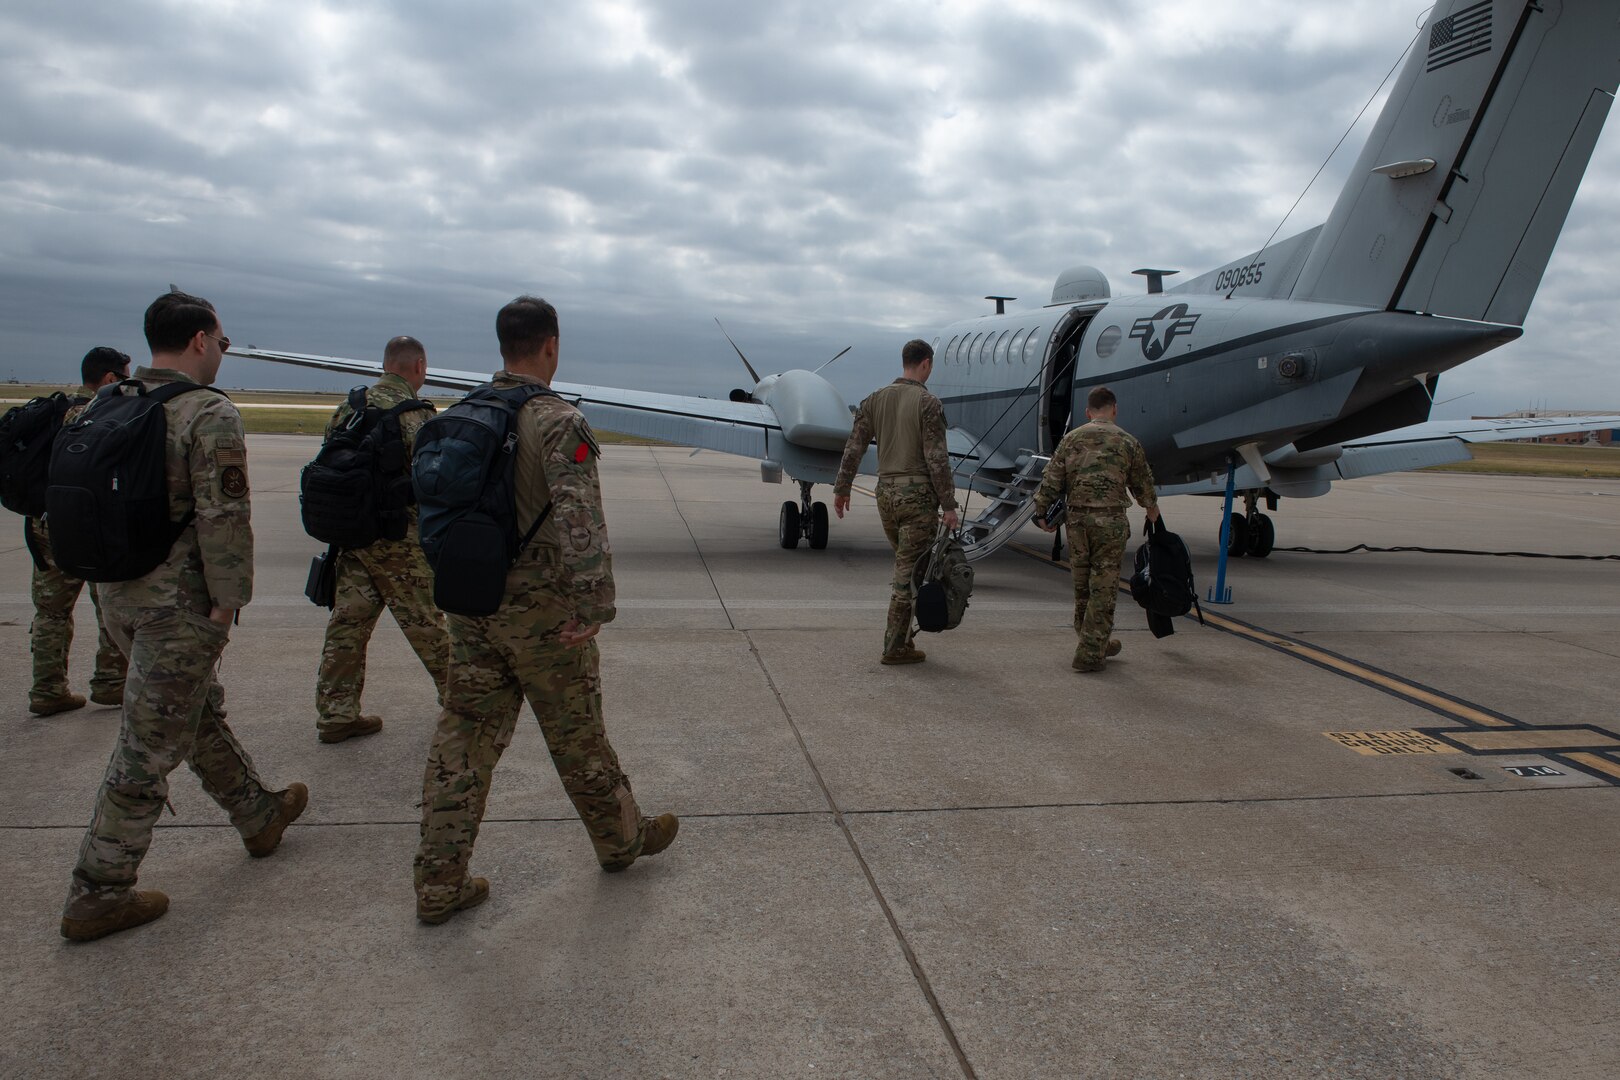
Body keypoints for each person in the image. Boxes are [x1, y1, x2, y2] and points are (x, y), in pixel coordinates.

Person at [413, 295, 677, 925]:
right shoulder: (556, 420)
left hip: (471, 605)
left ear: (504, 345)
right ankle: (620, 841)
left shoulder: (464, 412)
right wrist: (595, 606)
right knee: (578, 735)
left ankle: (438, 881)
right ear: (551, 345)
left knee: (462, 741)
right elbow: (579, 519)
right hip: (542, 617)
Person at [59, 290, 308, 942]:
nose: (222, 354)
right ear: (200, 340)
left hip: (116, 595)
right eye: (222, 343)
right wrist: (227, 604)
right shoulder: (206, 412)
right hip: (177, 609)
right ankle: (100, 889)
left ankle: (259, 815)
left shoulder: (110, 402)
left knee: (193, 714)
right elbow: (224, 518)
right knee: (147, 746)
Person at [314, 335, 449, 744]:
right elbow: (435, 481)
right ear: (419, 367)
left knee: (347, 626)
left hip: (354, 539)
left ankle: (336, 713)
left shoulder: (349, 408)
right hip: (401, 543)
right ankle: (464, 704)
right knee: (428, 626)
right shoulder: (418, 415)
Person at [832, 339, 960, 665]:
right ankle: (894, 646)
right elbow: (936, 459)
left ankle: (903, 639)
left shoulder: (874, 400)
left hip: (885, 495)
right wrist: (949, 504)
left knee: (909, 567)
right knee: (906, 572)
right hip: (916, 498)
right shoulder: (928, 403)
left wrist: (842, 488)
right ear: (926, 364)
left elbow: (854, 447)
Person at [26, 347, 131, 716]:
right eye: (123, 376)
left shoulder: (52, 412)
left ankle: (47, 689)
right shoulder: (104, 412)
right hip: (90, 528)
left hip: (45, 525)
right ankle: (111, 682)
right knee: (110, 607)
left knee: (51, 612)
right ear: (108, 378)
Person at [1033, 385, 1160, 673]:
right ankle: (1090, 653)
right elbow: (1143, 483)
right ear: (1114, 410)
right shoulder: (1128, 441)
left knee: (1082, 586)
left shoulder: (1071, 439)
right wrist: (1152, 511)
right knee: (1104, 587)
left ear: (1088, 412)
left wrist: (1041, 511)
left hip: (1077, 523)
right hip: (1110, 523)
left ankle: (1094, 639)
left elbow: (1052, 479)